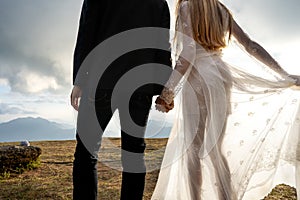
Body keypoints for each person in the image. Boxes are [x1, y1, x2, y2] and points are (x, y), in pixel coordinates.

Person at [152, 0, 300, 199]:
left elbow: (188, 52)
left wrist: (167, 92)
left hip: (198, 79)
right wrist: (284, 75)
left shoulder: (187, 6)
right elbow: (250, 45)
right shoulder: (220, 9)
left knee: (193, 148)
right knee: (215, 149)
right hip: (221, 76)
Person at [70, 0, 172, 199]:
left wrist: (80, 80)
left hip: (100, 81)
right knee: (134, 154)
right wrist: (163, 90)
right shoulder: (158, 3)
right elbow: (162, 47)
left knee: (86, 153)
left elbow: (86, 34)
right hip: (139, 86)